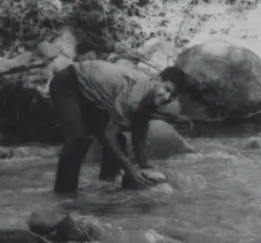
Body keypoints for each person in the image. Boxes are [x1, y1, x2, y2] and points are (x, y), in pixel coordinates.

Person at [49, 59, 188, 194]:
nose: (167, 97)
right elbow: (108, 135)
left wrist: (145, 166)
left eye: (172, 95)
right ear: (157, 79)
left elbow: (139, 132)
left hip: (93, 96)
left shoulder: (151, 97)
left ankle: (106, 186)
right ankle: (64, 196)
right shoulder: (135, 95)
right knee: (78, 140)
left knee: (119, 142)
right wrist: (131, 170)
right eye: (167, 89)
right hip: (68, 83)